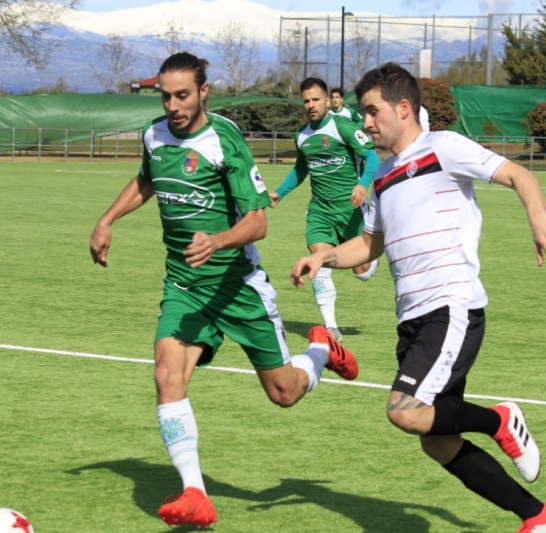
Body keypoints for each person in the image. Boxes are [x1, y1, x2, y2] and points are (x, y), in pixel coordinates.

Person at [291, 63, 546, 533]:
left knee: (404, 410)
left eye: (372, 111)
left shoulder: (442, 147)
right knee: (437, 440)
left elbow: (518, 175)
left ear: (404, 108)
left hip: (451, 305)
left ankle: (498, 419)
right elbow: (369, 246)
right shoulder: (381, 175)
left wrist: (539, 219)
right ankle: (540, 517)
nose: (365, 122)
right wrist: (325, 258)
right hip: (412, 319)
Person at [88, 52, 358, 529]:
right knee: (166, 374)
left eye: (183, 95)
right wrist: (108, 219)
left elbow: (257, 223)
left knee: (284, 394)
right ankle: (195, 493)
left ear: (204, 92)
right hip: (184, 286)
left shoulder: (224, 139)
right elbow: (146, 182)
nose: (173, 105)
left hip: (238, 287)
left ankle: (319, 348)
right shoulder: (154, 136)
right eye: (166, 96)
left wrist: (217, 240)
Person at [270, 77, 381, 342]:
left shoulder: (343, 127)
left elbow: (373, 157)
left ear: (328, 100)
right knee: (319, 263)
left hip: (350, 209)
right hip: (319, 211)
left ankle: (370, 256)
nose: (310, 105)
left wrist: (362, 185)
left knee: (363, 272)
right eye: (306, 100)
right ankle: (331, 327)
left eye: (316, 99)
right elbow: (300, 169)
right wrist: (280, 193)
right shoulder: (302, 135)